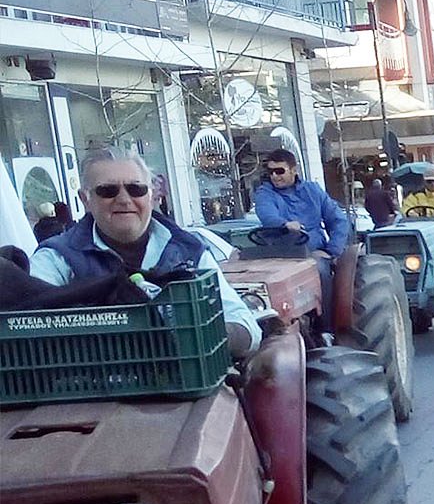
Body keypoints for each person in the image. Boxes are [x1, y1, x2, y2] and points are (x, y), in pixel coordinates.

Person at [28, 146, 261, 356]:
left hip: (185, 394)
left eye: (136, 189)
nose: (123, 199)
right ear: (85, 199)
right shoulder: (55, 257)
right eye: (107, 191)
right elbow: (26, 329)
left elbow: (246, 326)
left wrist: (201, 334)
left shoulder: (189, 250)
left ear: (152, 195)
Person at [254, 148, 350, 332]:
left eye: (280, 171)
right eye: (271, 172)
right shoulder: (265, 193)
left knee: (320, 269)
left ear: (293, 170)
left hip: (313, 252)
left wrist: (332, 251)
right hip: (280, 254)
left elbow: (338, 220)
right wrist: (284, 224)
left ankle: (327, 329)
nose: (275, 176)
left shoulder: (312, 191)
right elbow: (267, 215)